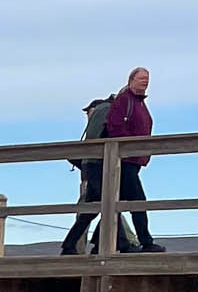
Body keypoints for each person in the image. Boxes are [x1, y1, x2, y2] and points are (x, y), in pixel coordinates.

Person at [61, 68, 166, 254]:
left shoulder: (135, 103)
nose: (145, 81)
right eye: (141, 78)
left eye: (147, 79)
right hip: (120, 161)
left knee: (95, 206)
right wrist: (129, 149)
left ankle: (70, 245)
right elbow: (116, 129)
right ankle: (144, 242)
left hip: (107, 161)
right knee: (136, 202)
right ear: (131, 80)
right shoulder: (125, 101)